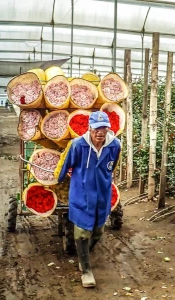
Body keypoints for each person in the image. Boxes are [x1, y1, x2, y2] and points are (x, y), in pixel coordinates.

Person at [54, 111, 121, 288]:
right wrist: (58, 180)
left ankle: (83, 256)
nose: (100, 132)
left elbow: (111, 166)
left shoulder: (115, 145)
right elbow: (65, 163)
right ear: (89, 128)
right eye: (96, 128)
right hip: (82, 195)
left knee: (98, 231)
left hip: (102, 195)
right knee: (82, 232)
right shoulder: (77, 145)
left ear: (108, 128)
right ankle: (86, 270)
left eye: (104, 128)